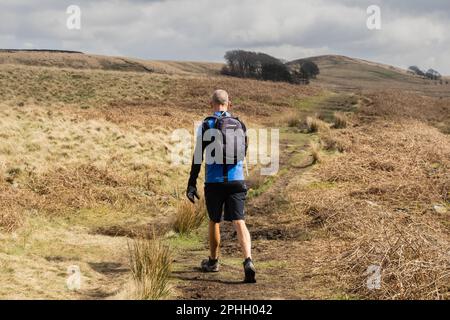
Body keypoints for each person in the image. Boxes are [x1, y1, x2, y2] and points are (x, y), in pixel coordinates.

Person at [186, 89, 256, 283]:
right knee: (239, 220)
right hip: (236, 180)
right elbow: (244, 151)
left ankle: (214, 261)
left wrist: (191, 183)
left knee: (214, 220)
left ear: (211, 104)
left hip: (214, 182)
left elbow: (198, 156)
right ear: (229, 104)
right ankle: (248, 260)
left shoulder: (206, 124)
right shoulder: (240, 124)